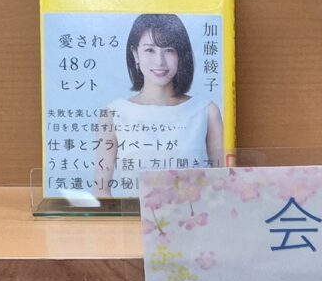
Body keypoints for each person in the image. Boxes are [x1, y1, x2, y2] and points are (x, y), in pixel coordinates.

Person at [94, 13, 225, 197]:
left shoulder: (206, 111)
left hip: (194, 215)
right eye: (150, 50)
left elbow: (221, 185)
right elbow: (101, 191)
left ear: (180, 54)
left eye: (169, 50)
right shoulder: (113, 114)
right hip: (134, 215)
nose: (160, 61)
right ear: (135, 54)